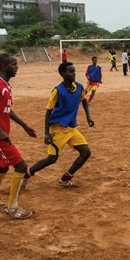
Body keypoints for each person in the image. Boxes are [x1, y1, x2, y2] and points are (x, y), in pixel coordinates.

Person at [0, 53, 37, 219]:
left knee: (3, 166)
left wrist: (24, 125)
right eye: (13, 64)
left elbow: (7, 110)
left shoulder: (6, 86)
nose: (16, 67)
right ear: (4, 66)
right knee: (21, 166)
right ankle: (13, 208)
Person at [23, 61, 95, 189]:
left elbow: (83, 100)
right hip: (58, 129)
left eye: (74, 71)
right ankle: (26, 175)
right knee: (51, 159)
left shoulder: (79, 87)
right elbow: (48, 112)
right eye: (70, 71)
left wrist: (88, 116)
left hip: (72, 128)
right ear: (63, 74)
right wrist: (46, 133)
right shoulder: (58, 91)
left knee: (86, 152)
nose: (74, 73)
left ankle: (65, 179)